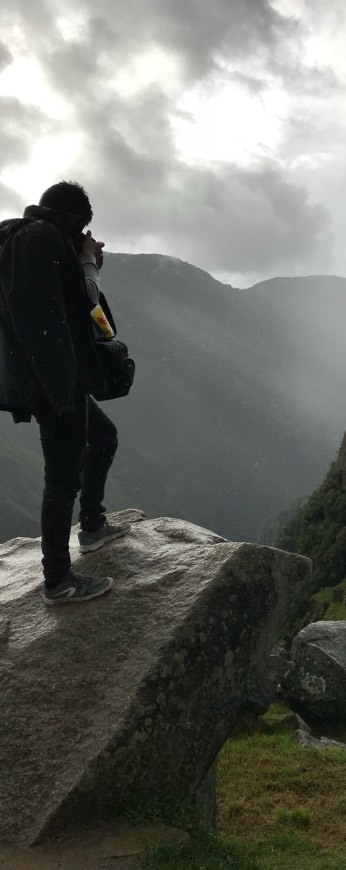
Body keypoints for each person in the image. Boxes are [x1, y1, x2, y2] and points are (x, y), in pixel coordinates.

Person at [0, 181, 130, 605]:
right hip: (55, 382)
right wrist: (90, 263)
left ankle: (92, 527)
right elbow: (83, 302)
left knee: (103, 437)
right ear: (75, 219)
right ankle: (58, 580)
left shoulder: (21, 238)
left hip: (42, 376)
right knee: (61, 479)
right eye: (83, 229)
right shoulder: (47, 241)